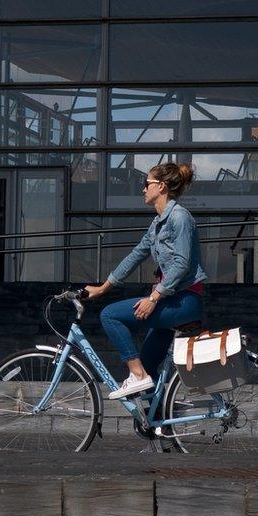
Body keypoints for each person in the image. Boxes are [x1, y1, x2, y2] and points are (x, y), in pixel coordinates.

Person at [84, 162, 207, 399]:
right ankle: (161, 423)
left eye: (146, 184)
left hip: (183, 301)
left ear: (160, 187)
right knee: (149, 378)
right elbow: (135, 256)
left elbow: (181, 264)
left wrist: (153, 297)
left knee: (109, 315)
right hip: (172, 300)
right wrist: (102, 288)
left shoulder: (180, 217)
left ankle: (136, 375)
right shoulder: (157, 224)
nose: (143, 189)